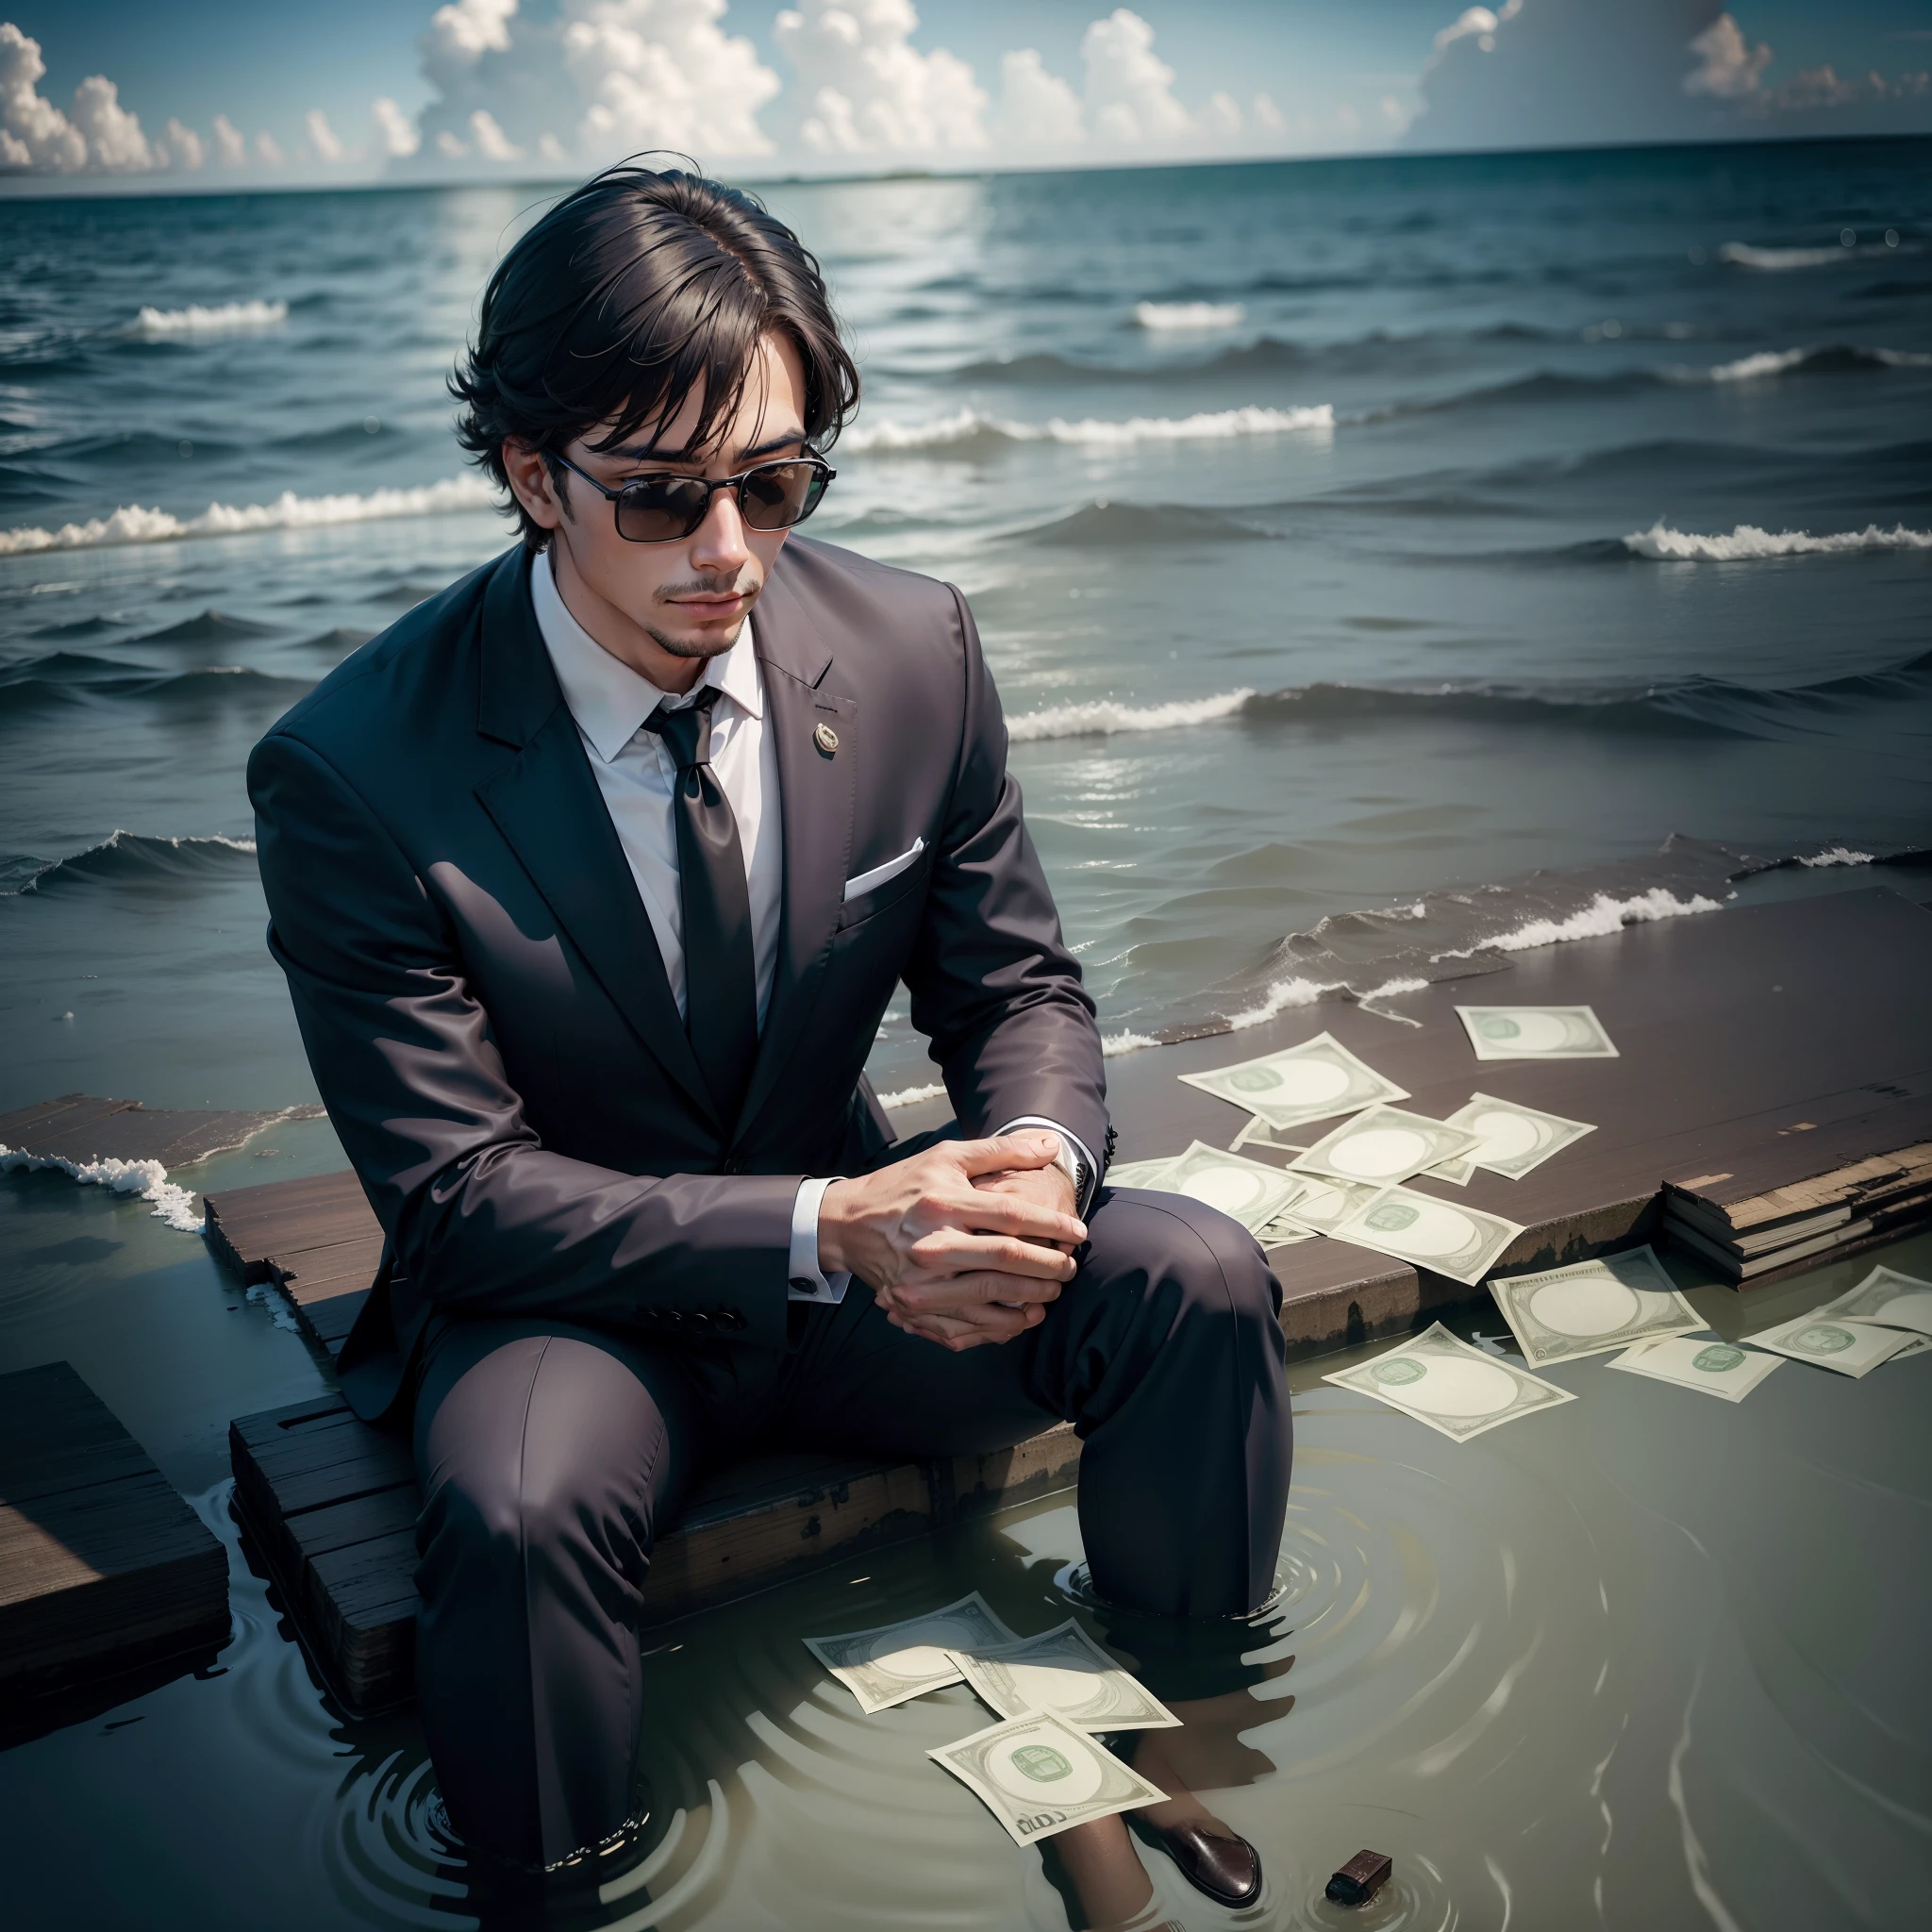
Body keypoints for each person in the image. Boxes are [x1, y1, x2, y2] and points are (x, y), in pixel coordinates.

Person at [248, 162, 1291, 1919]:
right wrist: (827, 1228)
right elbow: (454, 1201)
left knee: (1195, 1277)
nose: (728, 550)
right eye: (660, 498)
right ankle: (555, 1888)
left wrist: (1032, 1177)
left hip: (872, 1273)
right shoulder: (354, 771)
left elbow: (1016, 989)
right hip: (569, 1317)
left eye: (777, 480)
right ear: (529, 473)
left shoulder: (913, 651)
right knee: (508, 1515)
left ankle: (1186, 1728)